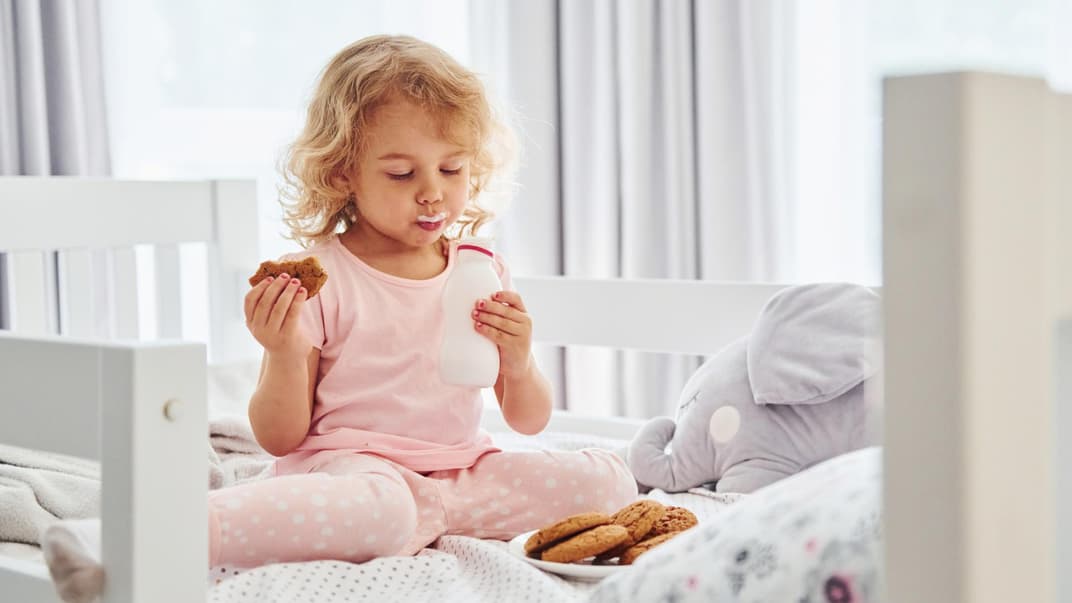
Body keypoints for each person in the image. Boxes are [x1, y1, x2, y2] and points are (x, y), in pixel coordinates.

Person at [210, 34, 637, 568]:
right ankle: (199, 528)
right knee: (383, 507)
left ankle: (425, 516)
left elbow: (528, 421)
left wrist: (519, 359)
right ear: (344, 171)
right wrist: (280, 351)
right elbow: (279, 438)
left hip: (461, 474)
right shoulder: (325, 278)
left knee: (608, 480)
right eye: (402, 173)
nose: (433, 191)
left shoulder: (480, 269)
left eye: (452, 169)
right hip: (355, 470)